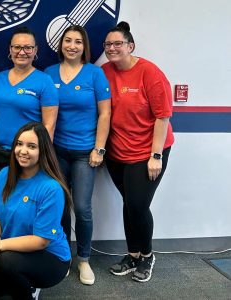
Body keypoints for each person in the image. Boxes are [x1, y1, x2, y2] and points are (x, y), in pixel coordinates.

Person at [102, 21, 174, 282]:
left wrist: (155, 156)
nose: (112, 48)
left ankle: (147, 255)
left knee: (137, 205)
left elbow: (163, 117)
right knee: (129, 204)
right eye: (108, 44)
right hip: (117, 152)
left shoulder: (150, 73)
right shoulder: (106, 71)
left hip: (147, 152)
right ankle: (132, 255)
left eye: (117, 43)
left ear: (130, 46)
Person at [0, 122, 72, 300]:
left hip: (51, 257)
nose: (23, 151)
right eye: (19, 144)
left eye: (31, 146)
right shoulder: (4, 175)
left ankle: (27, 292)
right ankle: (19, 283)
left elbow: (41, 241)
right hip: (12, 251)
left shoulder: (51, 188)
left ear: (43, 151)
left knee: (5, 263)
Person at [44, 25, 111, 285]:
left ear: (85, 47)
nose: (72, 46)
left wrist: (99, 148)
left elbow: (105, 113)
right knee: (59, 207)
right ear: (61, 45)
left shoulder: (95, 74)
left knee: (82, 208)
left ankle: (84, 259)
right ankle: (62, 256)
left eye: (78, 42)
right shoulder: (49, 74)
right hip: (56, 152)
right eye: (68, 41)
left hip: (86, 153)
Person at [0, 27, 58, 170]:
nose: (22, 52)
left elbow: (49, 125)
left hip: (27, 156)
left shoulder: (45, 81)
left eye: (28, 48)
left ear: (35, 50)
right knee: (0, 192)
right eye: (17, 47)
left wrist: (41, 155)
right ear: (10, 49)